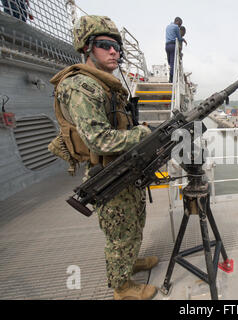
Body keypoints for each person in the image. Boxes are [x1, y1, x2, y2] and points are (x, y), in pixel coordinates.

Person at [48, 15, 159, 300]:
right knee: (120, 233)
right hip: (107, 175)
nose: (114, 52)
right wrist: (143, 135)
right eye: (105, 45)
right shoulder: (80, 87)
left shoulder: (105, 85)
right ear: (87, 48)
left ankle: (130, 263)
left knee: (135, 222)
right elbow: (98, 139)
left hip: (123, 170)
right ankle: (121, 288)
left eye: (117, 47)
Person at [165, 17, 185, 82]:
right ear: (177, 21)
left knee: (170, 62)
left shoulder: (167, 26)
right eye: (180, 24)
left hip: (167, 46)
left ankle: (171, 76)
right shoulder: (176, 27)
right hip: (173, 46)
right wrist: (183, 39)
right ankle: (171, 79)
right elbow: (179, 38)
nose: (179, 26)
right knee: (172, 63)